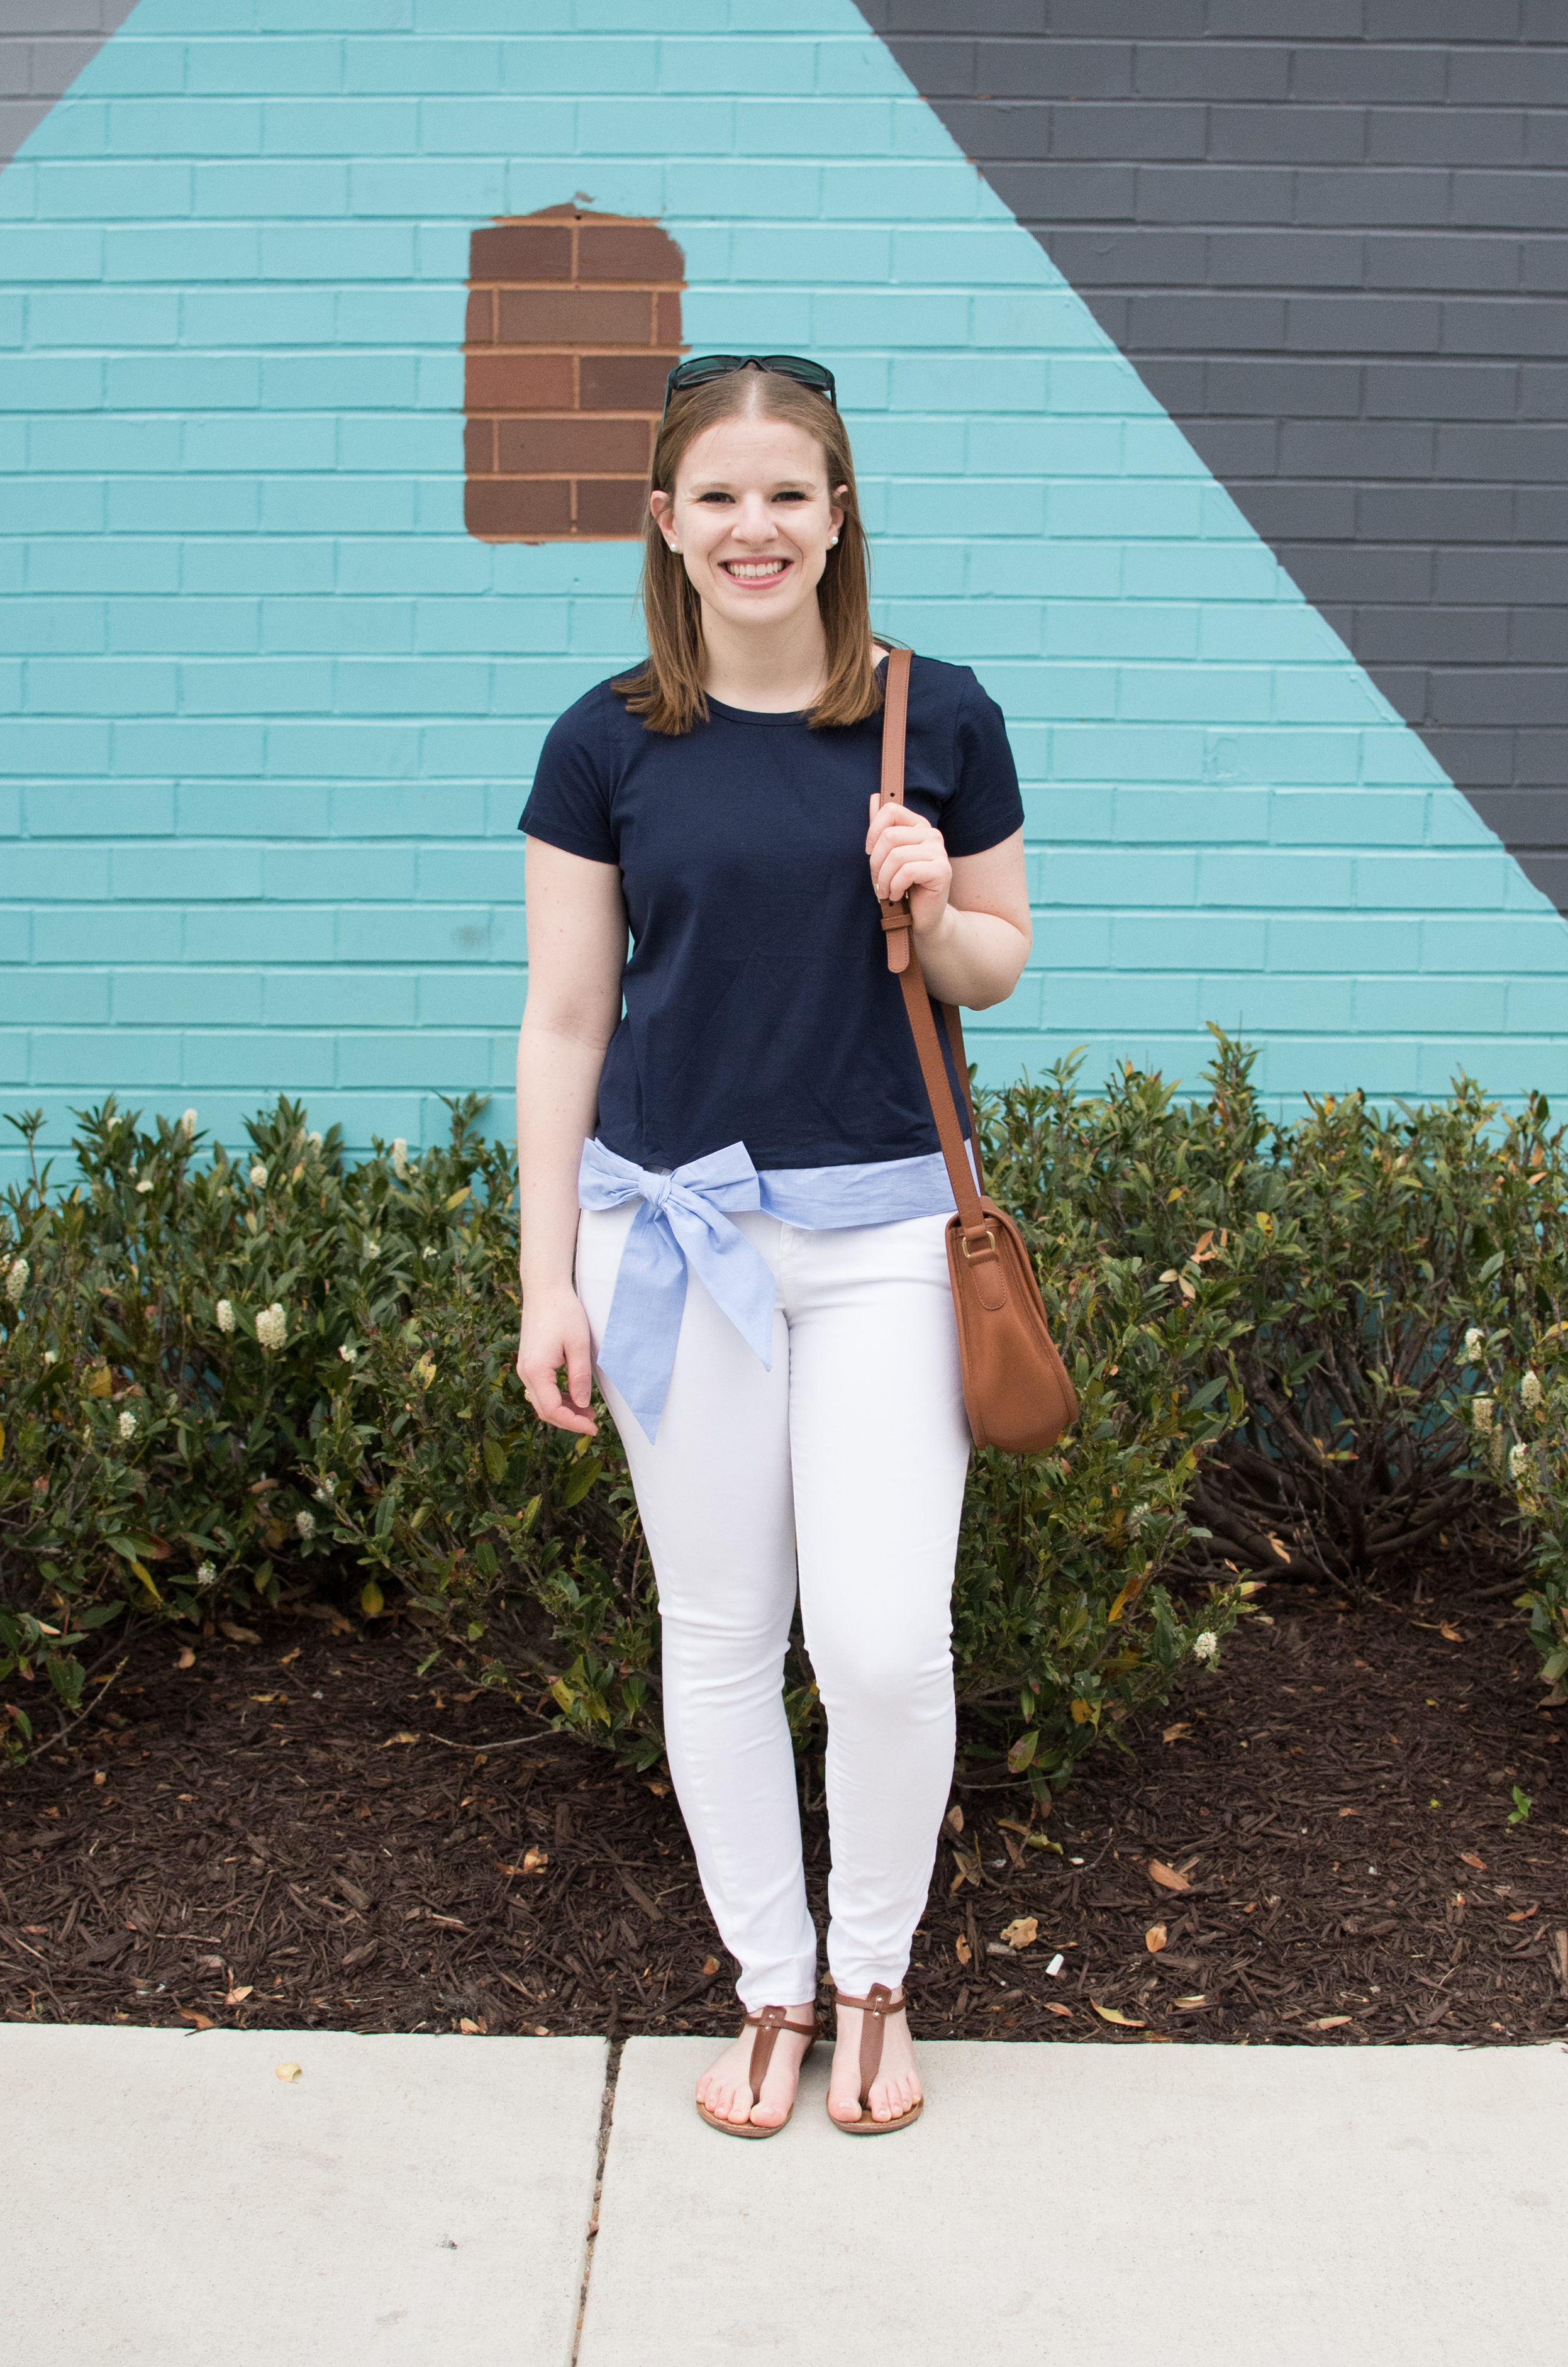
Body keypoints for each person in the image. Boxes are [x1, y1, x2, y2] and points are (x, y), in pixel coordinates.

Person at [513, 354, 1030, 2135]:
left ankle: (880, 1967)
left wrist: (933, 902)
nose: (756, 527)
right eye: (718, 496)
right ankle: (775, 1985)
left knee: (883, 1638)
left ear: (839, 512)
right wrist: (542, 1278)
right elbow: (567, 1021)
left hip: (884, 1232)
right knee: (722, 1630)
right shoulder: (603, 742)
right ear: (666, 521)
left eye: (788, 492)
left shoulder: (935, 716)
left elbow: (997, 968)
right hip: (668, 1232)